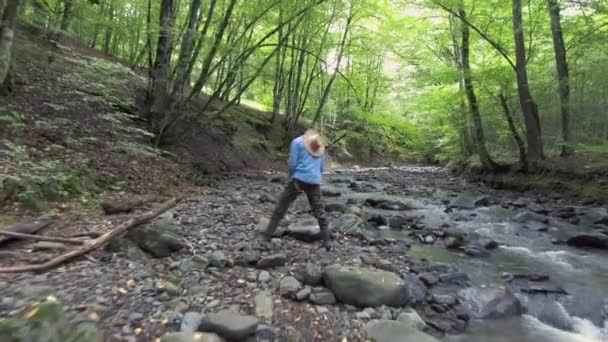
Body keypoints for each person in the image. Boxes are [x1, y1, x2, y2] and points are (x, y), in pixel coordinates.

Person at [264, 129, 331, 250]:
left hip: (299, 179)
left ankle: (267, 235)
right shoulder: (319, 145)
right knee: (319, 211)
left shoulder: (296, 142)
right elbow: (321, 169)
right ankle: (327, 242)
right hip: (315, 181)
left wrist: (292, 177)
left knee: (282, 206)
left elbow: (293, 164)